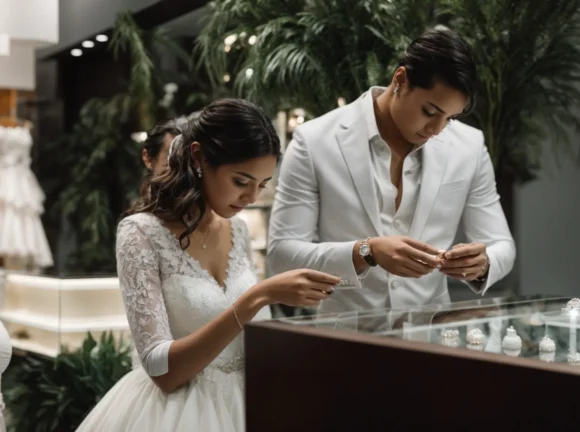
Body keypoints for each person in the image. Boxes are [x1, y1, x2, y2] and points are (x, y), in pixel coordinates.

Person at [76, 98, 340, 432]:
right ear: (199, 157)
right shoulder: (140, 232)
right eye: (241, 181)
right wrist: (258, 297)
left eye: (262, 185)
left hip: (253, 403)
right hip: (176, 414)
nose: (251, 198)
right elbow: (162, 371)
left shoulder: (239, 230)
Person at [267, 27, 516, 314]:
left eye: (450, 118)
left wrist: (482, 264)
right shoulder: (313, 142)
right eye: (430, 112)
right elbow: (281, 255)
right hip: (341, 340)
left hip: (430, 341)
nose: (437, 129)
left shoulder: (469, 147)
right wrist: (366, 252)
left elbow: (502, 246)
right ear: (400, 80)